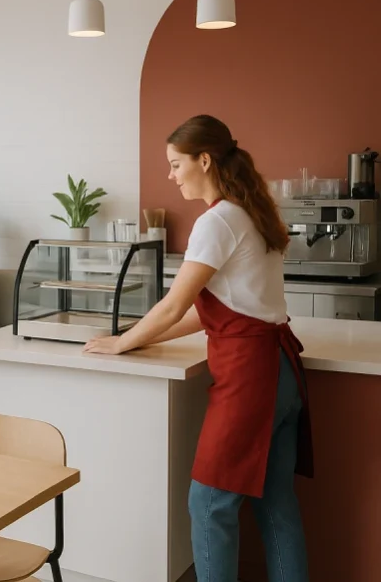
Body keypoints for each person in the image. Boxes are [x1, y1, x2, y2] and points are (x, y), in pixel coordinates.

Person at [84, 115, 312, 582]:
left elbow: (173, 306)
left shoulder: (217, 221)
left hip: (251, 380)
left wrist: (123, 341)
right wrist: (136, 338)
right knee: (275, 505)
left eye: (175, 164)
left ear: (204, 160)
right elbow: (205, 314)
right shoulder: (250, 212)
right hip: (282, 373)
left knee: (209, 504)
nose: (171, 175)